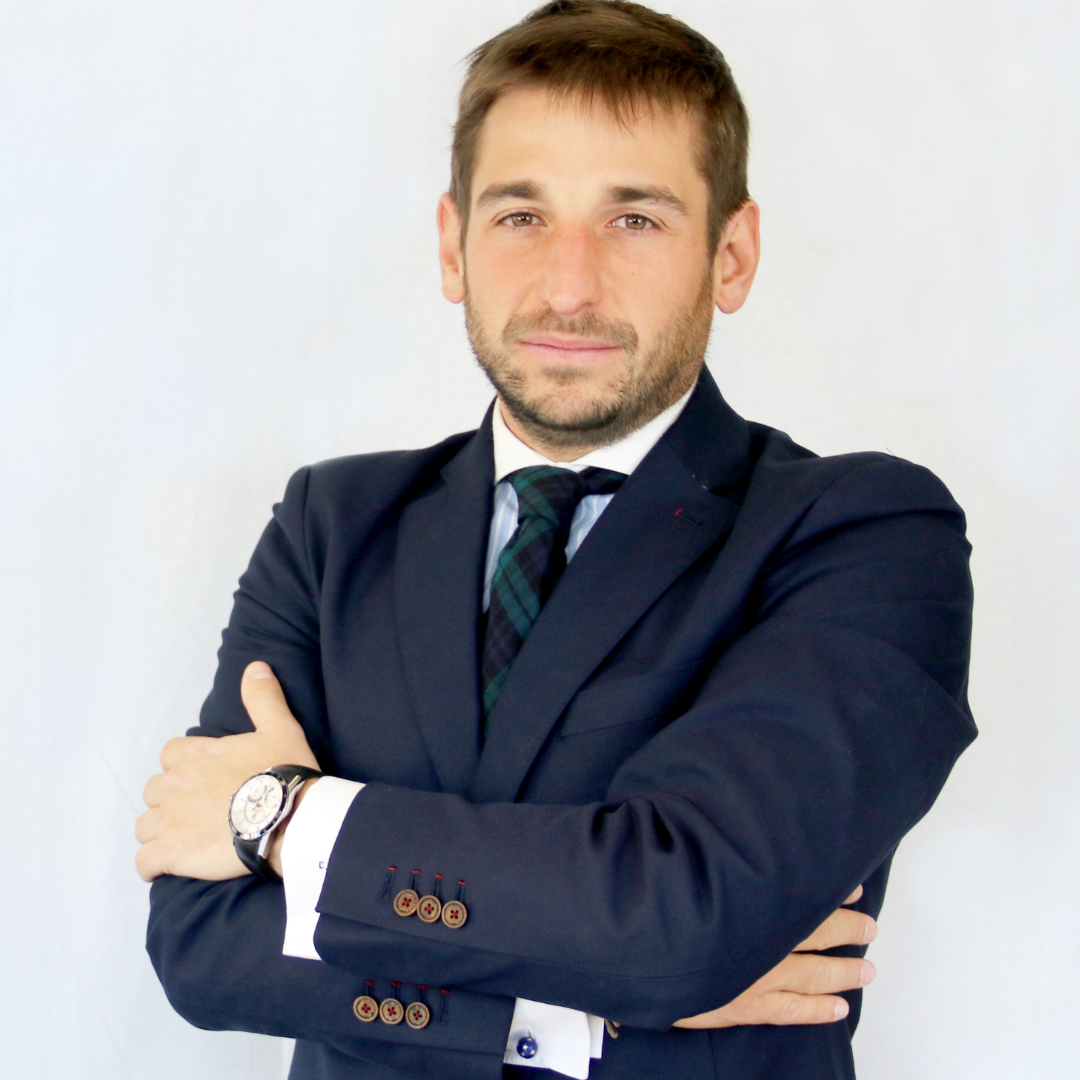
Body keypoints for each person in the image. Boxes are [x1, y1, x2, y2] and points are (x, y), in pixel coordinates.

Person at [135, 3, 976, 1078]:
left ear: (731, 255)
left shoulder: (863, 535)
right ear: (454, 244)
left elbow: (683, 916)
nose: (569, 284)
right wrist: (583, 1009)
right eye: (521, 215)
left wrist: (284, 818)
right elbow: (203, 946)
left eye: (635, 219)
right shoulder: (332, 527)